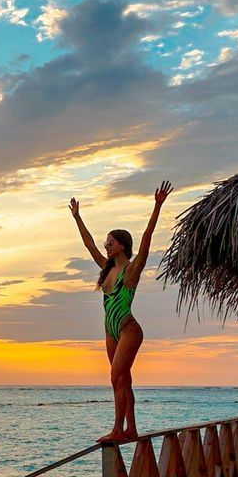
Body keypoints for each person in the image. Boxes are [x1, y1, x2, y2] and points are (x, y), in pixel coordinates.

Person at [69, 182, 173, 444]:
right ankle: (131, 430)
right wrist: (78, 217)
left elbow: (147, 241)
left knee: (116, 376)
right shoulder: (106, 267)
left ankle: (118, 429)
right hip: (110, 330)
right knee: (123, 379)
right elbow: (89, 244)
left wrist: (157, 206)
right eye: (106, 242)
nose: (106, 245)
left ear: (122, 245)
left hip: (128, 329)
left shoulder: (132, 270)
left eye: (111, 242)